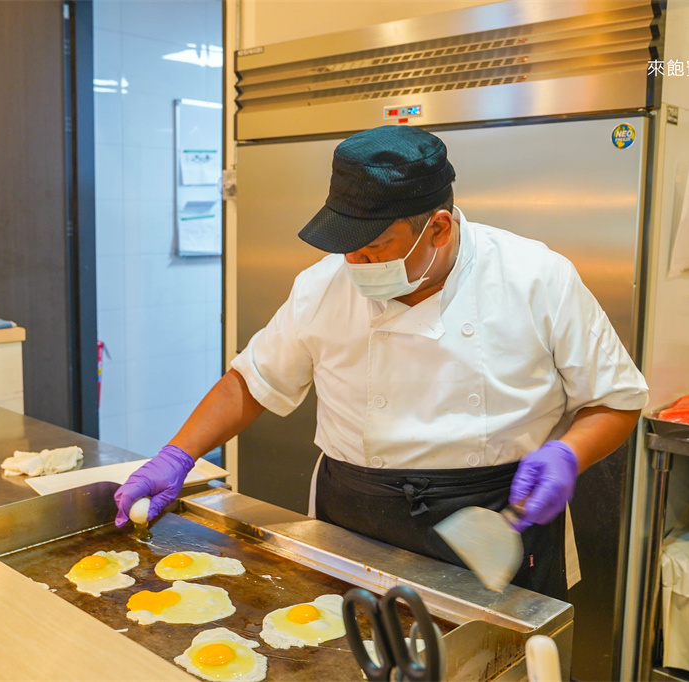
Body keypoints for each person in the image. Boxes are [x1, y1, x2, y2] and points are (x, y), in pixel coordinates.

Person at [114, 125, 648, 599]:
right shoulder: (322, 285)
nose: (354, 262)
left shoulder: (537, 277)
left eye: (374, 246)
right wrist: (176, 457)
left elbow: (615, 402)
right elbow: (251, 383)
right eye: (345, 245)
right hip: (353, 518)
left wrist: (567, 456)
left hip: (497, 520)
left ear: (437, 227)